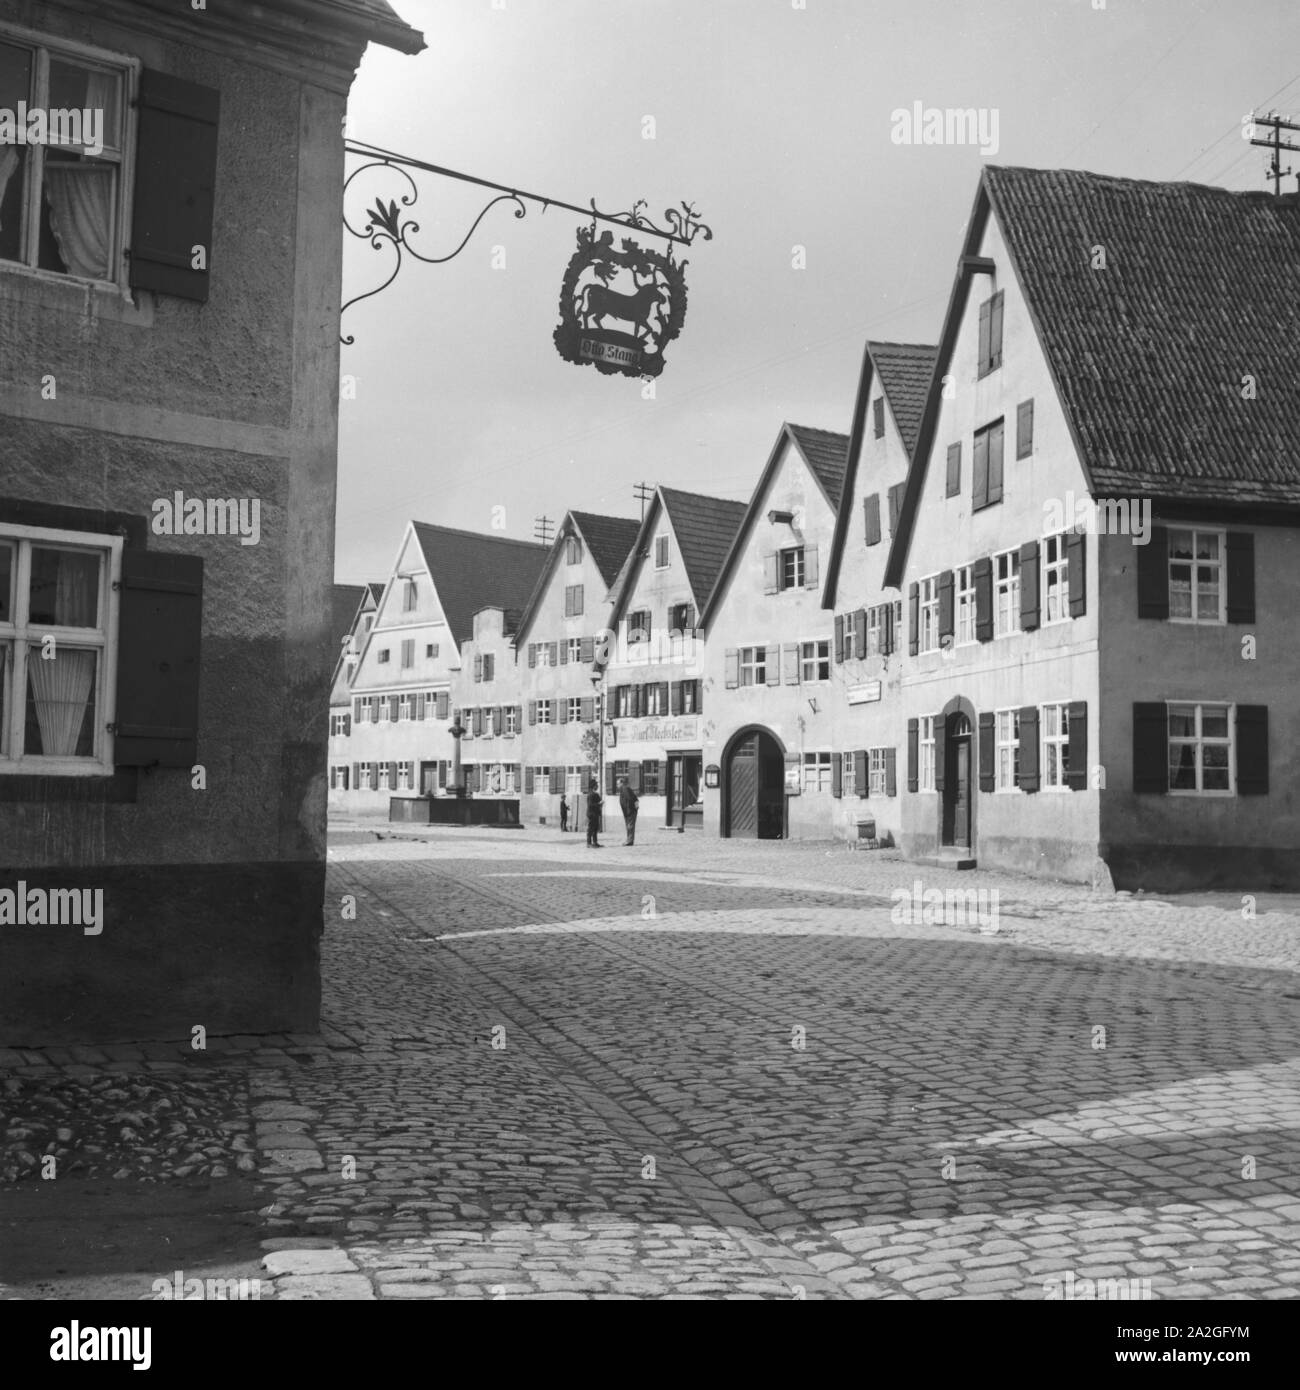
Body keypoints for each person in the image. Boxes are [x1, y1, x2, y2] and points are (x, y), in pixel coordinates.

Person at [618, 775, 639, 845]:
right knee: (629, 826)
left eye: (618, 783)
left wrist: (629, 809)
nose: (617, 785)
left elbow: (630, 799)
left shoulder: (625, 789)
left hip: (630, 811)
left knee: (630, 826)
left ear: (622, 783)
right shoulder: (624, 789)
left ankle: (629, 841)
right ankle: (629, 840)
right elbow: (634, 798)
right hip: (628, 811)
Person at [585, 778, 603, 848]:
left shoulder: (595, 794)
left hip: (595, 813)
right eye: (596, 785)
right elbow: (590, 805)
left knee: (595, 828)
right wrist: (599, 803)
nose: (597, 786)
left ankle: (595, 842)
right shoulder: (591, 794)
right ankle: (589, 843)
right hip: (591, 814)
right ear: (593, 786)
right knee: (590, 829)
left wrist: (600, 803)